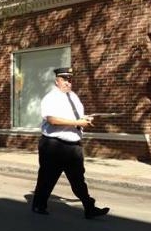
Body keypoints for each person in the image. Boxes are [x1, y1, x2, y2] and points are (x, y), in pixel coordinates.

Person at [31, 67, 110, 219]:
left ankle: (89, 207)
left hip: (73, 146)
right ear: (57, 81)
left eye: (70, 79)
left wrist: (85, 119)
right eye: (64, 79)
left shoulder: (73, 96)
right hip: (54, 145)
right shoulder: (51, 97)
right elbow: (52, 119)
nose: (68, 82)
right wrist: (76, 121)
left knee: (78, 179)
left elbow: (75, 116)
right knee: (47, 178)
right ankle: (39, 205)